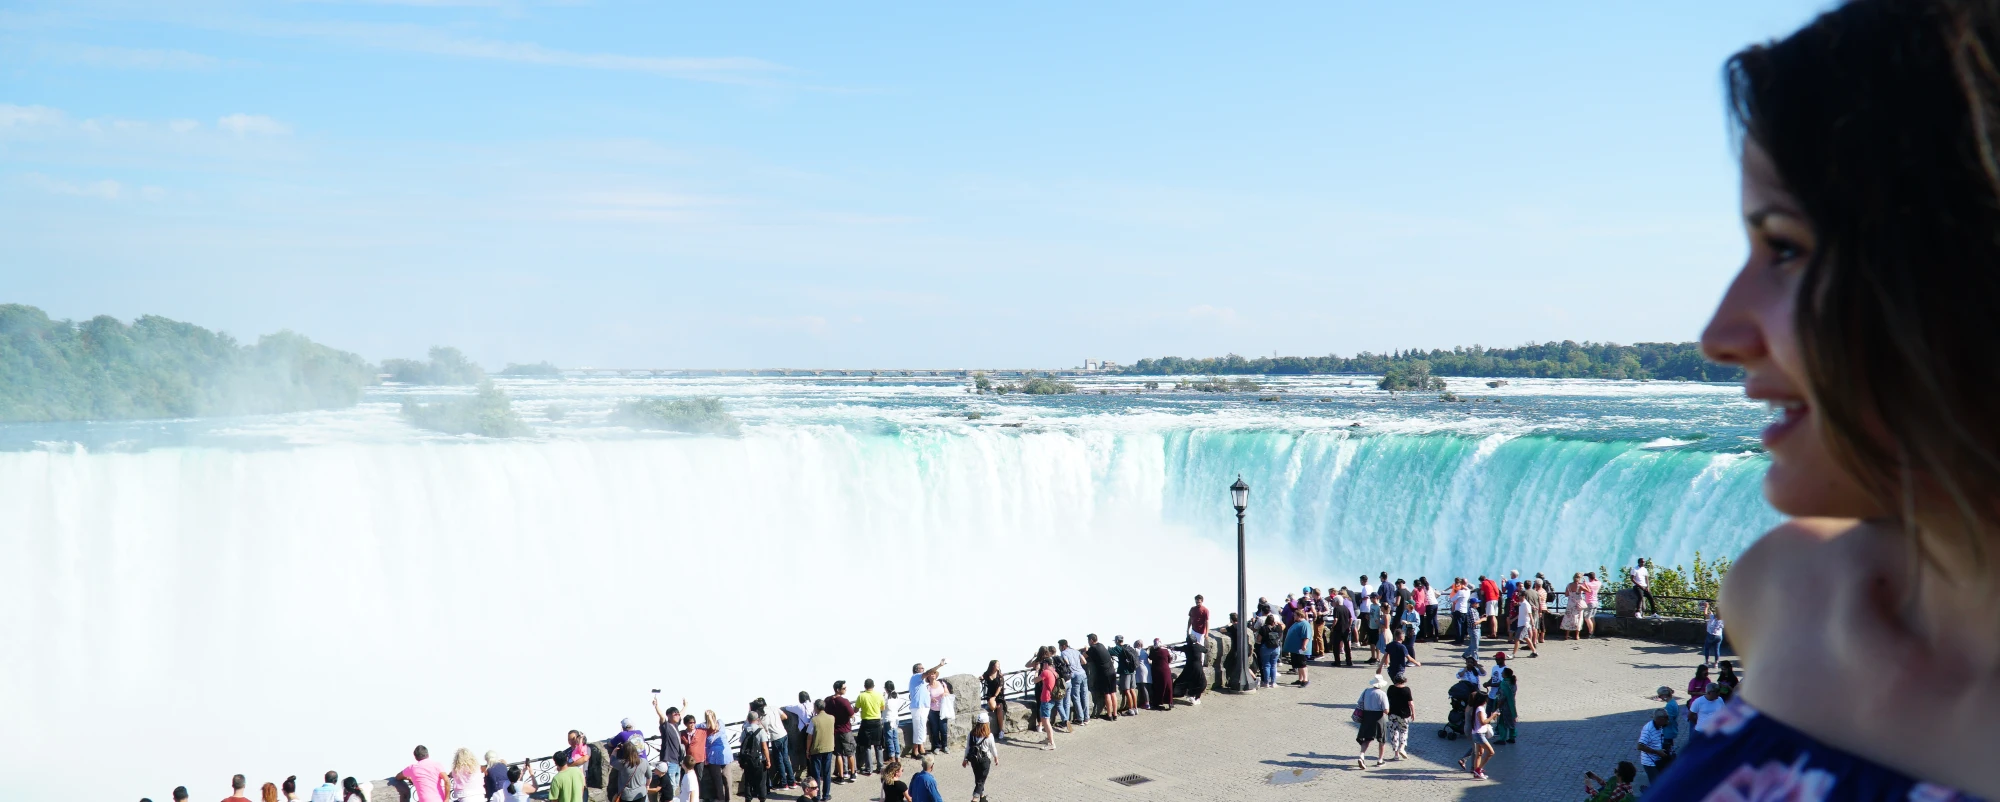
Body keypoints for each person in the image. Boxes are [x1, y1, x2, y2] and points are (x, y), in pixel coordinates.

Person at [905, 659, 946, 756]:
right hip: (918, 707)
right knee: (918, 728)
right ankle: (915, 751)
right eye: (921, 668)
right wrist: (939, 665)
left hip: (923, 707)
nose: (923, 669)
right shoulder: (916, 677)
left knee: (921, 728)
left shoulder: (921, 681)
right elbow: (928, 672)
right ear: (916, 670)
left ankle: (921, 749)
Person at [1354, 674, 1390, 769]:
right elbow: (1386, 710)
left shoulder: (1366, 691)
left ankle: (1362, 755)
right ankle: (1380, 760)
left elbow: (1360, 702)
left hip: (1366, 717)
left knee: (1367, 738)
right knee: (1382, 739)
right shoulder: (1382, 694)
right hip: (1378, 717)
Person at [825, 681, 858, 783]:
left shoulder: (828, 700)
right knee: (850, 753)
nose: (846, 689)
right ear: (838, 689)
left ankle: (841, 776)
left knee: (838, 754)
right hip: (845, 730)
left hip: (834, 731)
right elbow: (852, 715)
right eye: (844, 688)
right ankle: (852, 774)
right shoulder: (844, 701)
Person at [654, 697, 687, 796]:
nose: (677, 716)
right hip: (669, 761)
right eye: (675, 714)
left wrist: (685, 706)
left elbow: (681, 714)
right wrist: (656, 706)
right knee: (671, 786)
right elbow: (662, 717)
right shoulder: (666, 726)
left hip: (677, 762)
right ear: (669, 716)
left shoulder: (676, 725)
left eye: (678, 714)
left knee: (676, 785)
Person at [1459, 689, 1495, 780]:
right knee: (1490, 752)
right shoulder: (1478, 709)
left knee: (1479, 753)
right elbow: (1483, 722)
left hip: (1476, 732)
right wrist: (1493, 716)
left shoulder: (1473, 707)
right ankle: (1478, 769)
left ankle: (1475, 771)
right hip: (1478, 733)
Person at [855, 679, 886, 776]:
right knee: (878, 745)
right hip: (877, 722)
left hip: (866, 722)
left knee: (867, 746)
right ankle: (880, 767)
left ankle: (869, 768)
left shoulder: (861, 696)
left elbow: (856, 709)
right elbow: (883, 708)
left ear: (864, 686)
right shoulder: (879, 695)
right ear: (874, 686)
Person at [737, 712, 770, 802]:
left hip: (747, 760)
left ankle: (748, 799)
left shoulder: (745, 730)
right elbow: (764, 747)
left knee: (748, 781)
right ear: (757, 719)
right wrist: (768, 760)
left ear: (748, 719)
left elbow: (742, 744)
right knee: (761, 781)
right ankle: (762, 798)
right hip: (759, 760)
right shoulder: (760, 731)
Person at [961, 720, 997, 802]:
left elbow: (968, 748)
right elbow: (993, 748)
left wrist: (965, 759)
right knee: (981, 780)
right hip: (985, 760)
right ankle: (975, 798)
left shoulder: (971, 734)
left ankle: (982, 798)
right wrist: (996, 757)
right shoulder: (989, 735)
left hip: (974, 760)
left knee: (978, 779)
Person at [1084, 634, 1118, 721]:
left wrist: (1086, 650)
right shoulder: (1101, 645)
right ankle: (1115, 714)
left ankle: (1109, 715)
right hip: (1112, 671)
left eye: (1088, 640)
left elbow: (1083, 657)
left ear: (1091, 640)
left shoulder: (1093, 648)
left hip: (1104, 674)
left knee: (1107, 694)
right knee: (1113, 693)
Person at [807, 700, 835, 800]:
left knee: (816, 774)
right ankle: (826, 795)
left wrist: (807, 750)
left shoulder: (814, 720)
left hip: (817, 749)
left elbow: (810, 737)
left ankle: (817, 796)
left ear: (816, 708)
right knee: (827, 773)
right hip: (829, 748)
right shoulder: (832, 718)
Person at [700, 711, 730, 802]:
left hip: (717, 755)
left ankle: (723, 799)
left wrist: (709, 718)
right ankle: (723, 799)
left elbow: (713, 727)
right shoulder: (704, 726)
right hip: (719, 754)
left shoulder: (719, 723)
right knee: (722, 779)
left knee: (722, 779)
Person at [1636, 711, 1671, 785]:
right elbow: (1640, 746)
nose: (1667, 721)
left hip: (1658, 760)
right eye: (1666, 719)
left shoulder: (1659, 726)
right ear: (1659, 719)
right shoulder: (1648, 729)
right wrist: (1658, 752)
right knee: (1656, 784)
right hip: (1650, 762)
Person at [1385, 672, 1415, 761]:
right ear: (1404, 680)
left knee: (1394, 732)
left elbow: (1387, 700)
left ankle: (1396, 754)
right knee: (1404, 731)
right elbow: (1411, 703)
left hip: (1392, 713)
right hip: (1404, 715)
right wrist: (1413, 713)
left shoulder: (1390, 688)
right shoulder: (1406, 690)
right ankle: (1402, 748)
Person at [782, 693, 811, 781]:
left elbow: (786, 708)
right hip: (813, 729)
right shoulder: (813, 704)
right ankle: (808, 771)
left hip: (803, 732)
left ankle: (797, 771)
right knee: (809, 751)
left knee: (801, 750)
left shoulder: (799, 707)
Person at [1033, 655, 1059, 749]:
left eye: (1043, 664)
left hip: (1046, 699)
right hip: (1052, 698)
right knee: (1045, 719)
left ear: (1046, 664)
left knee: (1045, 720)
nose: (1042, 666)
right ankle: (1048, 739)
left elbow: (1035, 680)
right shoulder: (1054, 672)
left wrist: (1036, 670)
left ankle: (1052, 743)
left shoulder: (1046, 672)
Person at [977, 662, 1006, 744]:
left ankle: (1001, 730)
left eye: (999, 664)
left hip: (999, 696)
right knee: (993, 707)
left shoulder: (1000, 675)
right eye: (997, 664)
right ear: (993, 666)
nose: (998, 666)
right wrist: (980, 678)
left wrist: (995, 696)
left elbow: (1000, 687)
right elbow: (983, 677)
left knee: (999, 709)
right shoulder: (987, 674)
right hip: (990, 695)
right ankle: (991, 705)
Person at [1282, 613, 1312, 686]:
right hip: (1295, 649)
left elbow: (1306, 636)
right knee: (1298, 664)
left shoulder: (1305, 624)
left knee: (1302, 664)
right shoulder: (1297, 623)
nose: (1294, 617)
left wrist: (1304, 645)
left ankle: (1305, 680)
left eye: (1295, 615)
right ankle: (1300, 679)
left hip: (1300, 648)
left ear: (1300, 616)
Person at [1326, 594, 1355, 667]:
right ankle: (1349, 661)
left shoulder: (1336, 608)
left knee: (1336, 646)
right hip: (1346, 629)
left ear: (1336, 601)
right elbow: (1351, 618)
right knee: (1347, 646)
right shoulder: (1346, 608)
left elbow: (1335, 619)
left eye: (1333, 601)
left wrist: (1332, 626)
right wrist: (1349, 625)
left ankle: (1337, 662)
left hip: (1338, 629)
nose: (1333, 603)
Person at [1493, 667, 1519, 745]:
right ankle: (1512, 737)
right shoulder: (1513, 683)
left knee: (1502, 722)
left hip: (1504, 706)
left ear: (1506, 674)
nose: (1501, 674)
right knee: (1511, 721)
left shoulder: (1504, 684)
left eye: (1503, 673)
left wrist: (1497, 706)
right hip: (1511, 705)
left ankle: (1502, 738)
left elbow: (1502, 697)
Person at [1256, 614, 1282, 688]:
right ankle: (1273, 683)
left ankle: (1266, 683)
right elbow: (1280, 636)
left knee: (1266, 665)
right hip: (1276, 648)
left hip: (1265, 647)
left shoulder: (1263, 628)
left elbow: (1258, 639)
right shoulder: (1278, 628)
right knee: (1273, 665)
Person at [1148, 638, 1175, 710]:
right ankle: (1170, 702)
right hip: (1166, 670)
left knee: (1158, 687)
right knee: (1168, 686)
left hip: (1156, 671)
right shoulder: (1165, 651)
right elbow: (1169, 660)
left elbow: (1150, 657)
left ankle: (1157, 702)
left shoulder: (1153, 650)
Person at [881, 681, 904, 759]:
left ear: (886, 688)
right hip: (895, 718)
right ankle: (898, 756)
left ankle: (892, 757)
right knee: (895, 738)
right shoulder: (897, 695)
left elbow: (882, 707)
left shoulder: (886, 697)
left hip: (888, 719)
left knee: (889, 739)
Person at [1700, 601, 1725, 667]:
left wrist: (1706, 607)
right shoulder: (1723, 619)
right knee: (1717, 649)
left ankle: (1707, 662)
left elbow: (1705, 614)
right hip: (1719, 635)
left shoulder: (1712, 616)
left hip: (1711, 634)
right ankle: (1716, 663)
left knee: (1707, 648)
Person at [1581, 572, 1602, 638]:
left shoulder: (1587, 584)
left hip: (1589, 603)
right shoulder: (1598, 583)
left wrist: (1583, 576)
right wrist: (1589, 575)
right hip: (1595, 602)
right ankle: (1593, 632)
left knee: (1587, 618)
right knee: (1592, 618)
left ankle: (1590, 633)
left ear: (1589, 577)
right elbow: (1596, 579)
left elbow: (1580, 586)